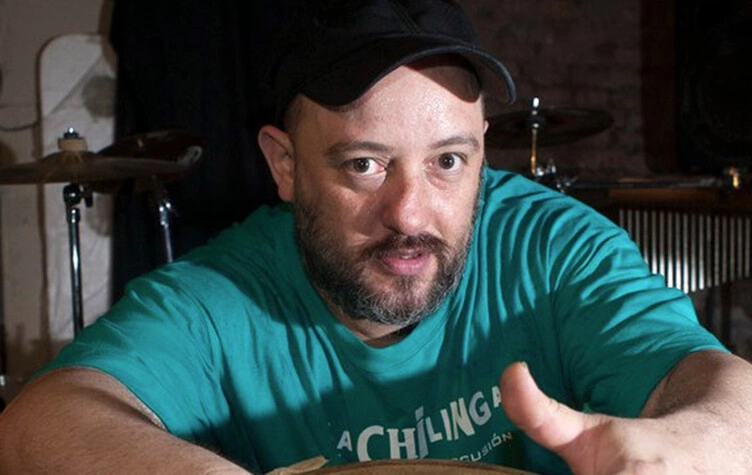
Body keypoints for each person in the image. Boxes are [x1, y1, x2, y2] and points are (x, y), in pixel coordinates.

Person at [1, 0, 752, 473]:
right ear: (285, 164)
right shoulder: (219, 297)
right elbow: (38, 422)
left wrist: (691, 447)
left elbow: (717, 386)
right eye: (365, 164)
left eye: (448, 162)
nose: (411, 215)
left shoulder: (554, 249)